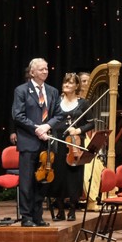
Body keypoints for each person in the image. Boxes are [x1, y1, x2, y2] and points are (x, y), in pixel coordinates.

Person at [11, 58, 61, 227]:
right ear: (32, 72)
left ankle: (38, 216)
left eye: (46, 69)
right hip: (29, 141)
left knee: (43, 180)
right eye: (41, 69)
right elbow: (18, 115)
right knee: (27, 182)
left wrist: (47, 126)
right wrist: (36, 129)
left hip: (46, 142)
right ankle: (26, 217)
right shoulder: (22, 90)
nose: (45, 72)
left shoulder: (52, 91)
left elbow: (59, 115)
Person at [50, 72, 92, 222]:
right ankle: (60, 210)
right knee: (59, 176)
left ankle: (72, 210)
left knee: (74, 177)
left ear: (76, 86)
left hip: (75, 143)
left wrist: (78, 130)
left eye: (70, 83)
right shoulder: (56, 102)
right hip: (58, 143)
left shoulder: (83, 103)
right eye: (65, 82)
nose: (66, 85)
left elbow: (91, 123)